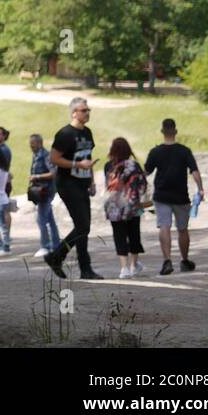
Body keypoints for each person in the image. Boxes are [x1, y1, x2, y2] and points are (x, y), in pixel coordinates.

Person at [43, 97, 104, 279]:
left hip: (83, 183)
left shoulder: (87, 133)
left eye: (88, 110)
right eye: (84, 110)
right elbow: (54, 159)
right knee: (83, 225)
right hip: (67, 183)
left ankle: (74, 264)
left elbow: (88, 157)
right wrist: (77, 164)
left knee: (83, 226)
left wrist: (92, 181)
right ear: (74, 112)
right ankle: (61, 258)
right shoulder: (65, 134)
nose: (87, 113)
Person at [144, 118, 205, 275]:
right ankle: (184, 260)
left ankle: (167, 261)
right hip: (180, 195)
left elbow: (147, 172)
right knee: (182, 229)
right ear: (175, 131)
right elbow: (195, 172)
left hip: (161, 195)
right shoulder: (184, 151)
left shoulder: (155, 152)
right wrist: (200, 189)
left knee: (164, 226)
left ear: (162, 131)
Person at [103, 137, 148, 278]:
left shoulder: (108, 166)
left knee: (119, 235)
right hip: (132, 205)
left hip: (114, 206)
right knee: (134, 234)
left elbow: (108, 185)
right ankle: (134, 265)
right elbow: (143, 185)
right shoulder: (134, 165)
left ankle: (124, 268)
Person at [28, 133, 60, 258]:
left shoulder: (46, 156)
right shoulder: (36, 155)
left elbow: (54, 173)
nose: (31, 146)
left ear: (39, 143)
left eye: (33, 143)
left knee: (41, 219)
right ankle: (56, 244)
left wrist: (36, 176)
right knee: (49, 219)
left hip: (46, 191)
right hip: (40, 192)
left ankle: (45, 246)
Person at [0, 126, 14, 235]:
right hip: (1, 182)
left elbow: (2, 167)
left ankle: (5, 234)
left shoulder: (4, 150)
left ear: (4, 136)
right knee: (1, 210)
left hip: (4, 183)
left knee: (4, 210)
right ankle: (3, 234)